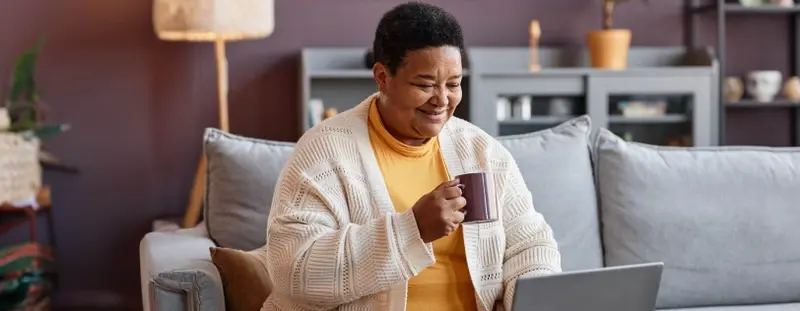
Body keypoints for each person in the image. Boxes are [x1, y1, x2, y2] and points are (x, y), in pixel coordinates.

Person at [262, 2, 561, 311]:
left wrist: (528, 299)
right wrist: (413, 229)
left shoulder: (480, 151)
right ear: (382, 77)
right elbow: (293, 271)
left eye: (454, 84)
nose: (442, 100)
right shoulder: (324, 153)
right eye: (425, 85)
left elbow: (531, 243)